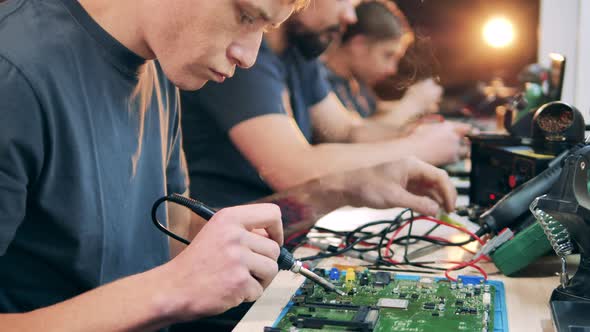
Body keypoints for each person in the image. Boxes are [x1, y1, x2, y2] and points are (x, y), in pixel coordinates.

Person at [0, 0, 457, 331]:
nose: (249, 56)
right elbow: (174, 276)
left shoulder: (159, 66)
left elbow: (175, 239)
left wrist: (339, 189)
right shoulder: (14, 72)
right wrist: (168, 291)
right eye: (245, 15)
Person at [181, 0, 469, 209]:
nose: (350, 16)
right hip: (227, 241)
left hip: (279, 230)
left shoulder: (297, 54)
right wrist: (420, 148)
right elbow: (291, 169)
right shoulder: (240, 57)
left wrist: (417, 134)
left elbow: (347, 130)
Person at [322, 0, 445, 129]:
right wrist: (413, 104)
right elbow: (353, 136)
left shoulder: (357, 84)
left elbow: (374, 114)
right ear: (359, 45)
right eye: (388, 55)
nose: (392, 69)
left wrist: (419, 103)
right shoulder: (324, 84)